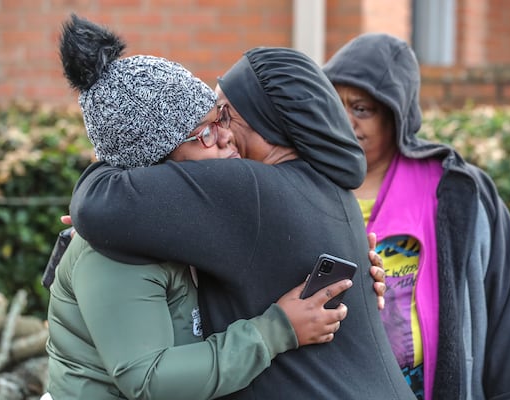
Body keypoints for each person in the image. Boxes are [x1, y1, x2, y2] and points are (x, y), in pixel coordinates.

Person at [68, 41, 417, 399]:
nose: (222, 133)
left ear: (261, 118)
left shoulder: (247, 189)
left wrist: (108, 164)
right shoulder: (329, 189)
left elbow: (99, 205)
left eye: (223, 114)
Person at [322, 32, 510, 400]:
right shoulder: (304, 181)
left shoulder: (456, 190)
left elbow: (509, 312)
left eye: (361, 109)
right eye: (334, 103)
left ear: (396, 115)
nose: (344, 121)